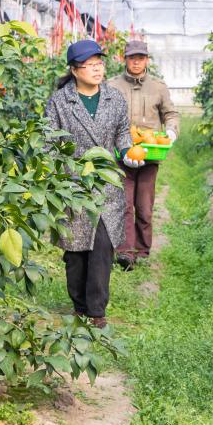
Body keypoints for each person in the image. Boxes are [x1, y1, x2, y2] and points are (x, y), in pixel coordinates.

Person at [44, 39, 146, 328]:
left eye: (100, 64)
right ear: (75, 70)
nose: (98, 69)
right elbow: (49, 143)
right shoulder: (60, 102)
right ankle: (78, 304)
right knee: (76, 252)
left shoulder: (114, 99)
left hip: (105, 186)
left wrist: (128, 153)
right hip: (72, 185)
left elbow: (122, 136)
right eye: (91, 65)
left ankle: (97, 310)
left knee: (102, 247)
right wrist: (61, 173)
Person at [107, 39, 180, 269]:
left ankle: (142, 250)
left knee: (145, 206)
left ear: (147, 60)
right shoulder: (112, 85)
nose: (136, 61)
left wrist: (171, 131)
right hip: (122, 155)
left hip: (150, 155)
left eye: (140, 57)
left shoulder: (158, 87)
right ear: (124, 59)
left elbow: (171, 113)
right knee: (124, 204)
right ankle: (125, 252)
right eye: (132, 57)